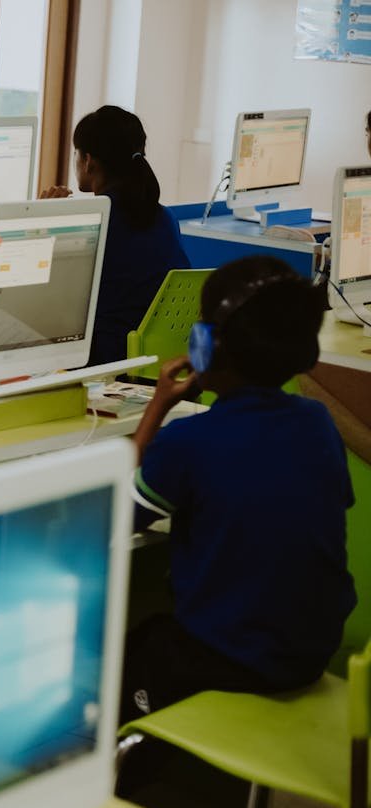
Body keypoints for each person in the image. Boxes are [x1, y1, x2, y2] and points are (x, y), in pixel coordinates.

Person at [121, 255, 354, 724]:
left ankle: (121, 775)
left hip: (231, 656)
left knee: (116, 659)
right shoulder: (317, 422)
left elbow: (113, 516)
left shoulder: (190, 441)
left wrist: (157, 409)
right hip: (312, 650)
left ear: (207, 348)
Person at [42, 106, 190, 365]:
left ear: (88, 161)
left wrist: (45, 222)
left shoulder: (90, 221)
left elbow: (46, 294)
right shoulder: (166, 218)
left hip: (101, 362)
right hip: (160, 362)